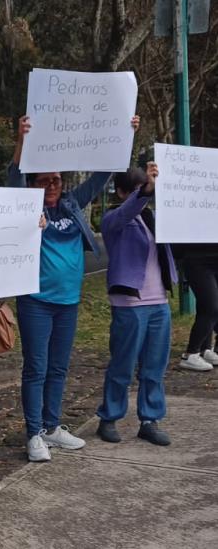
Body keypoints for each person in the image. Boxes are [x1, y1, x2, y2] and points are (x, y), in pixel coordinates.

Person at [9, 114, 140, 462]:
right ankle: (34, 432)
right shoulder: (24, 206)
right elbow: (13, 176)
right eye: (44, 180)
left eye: (56, 179)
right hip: (36, 300)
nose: (52, 184)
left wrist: (124, 131)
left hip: (69, 300)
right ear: (33, 184)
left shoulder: (71, 203)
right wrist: (21, 139)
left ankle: (52, 427)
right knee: (36, 367)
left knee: (59, 367)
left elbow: (102, 176)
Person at [96, 162, 176, 446]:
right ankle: (109, 417)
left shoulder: (153, 216)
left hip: (159, 303)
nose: (142, 195)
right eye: (133, 190)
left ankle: (150, 419)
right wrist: (143, 193)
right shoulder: (113, 219)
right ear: (121, 193)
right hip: (129, 304)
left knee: (155, 366)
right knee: (123, 364)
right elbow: (128, 209)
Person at [174, 244, 218, 371]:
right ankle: (190, 354)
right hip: (197, 257)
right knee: (211, 306)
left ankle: (205, 349)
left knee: (207, 304)